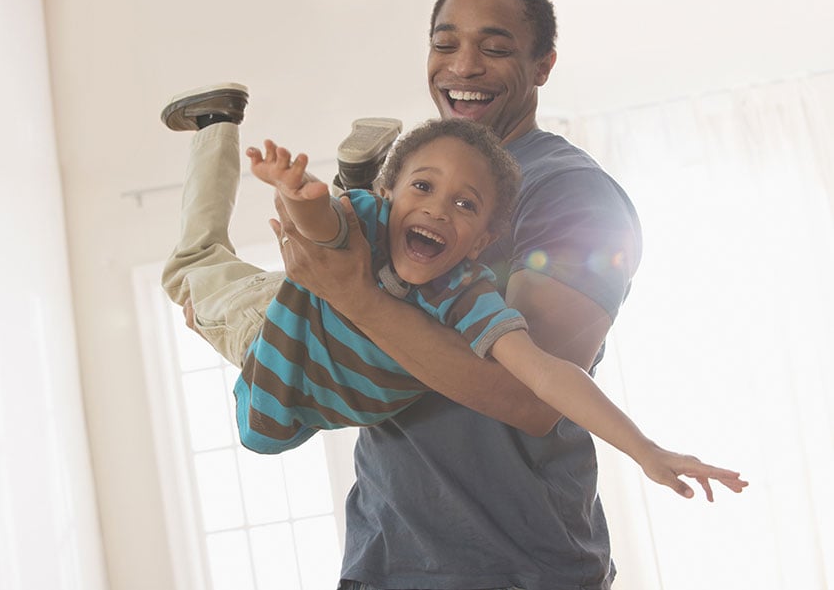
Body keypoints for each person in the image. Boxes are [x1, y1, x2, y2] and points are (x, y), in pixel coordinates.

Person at [265, 0, 739, 588]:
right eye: (444, 44)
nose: (462, 66)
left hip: (516, 568)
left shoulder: (573, 196)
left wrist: (356, 296)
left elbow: (533, 400)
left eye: (495, 48)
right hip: (383, 558)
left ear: (543, 65)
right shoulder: (415, 193)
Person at [160, 86, 746, 501]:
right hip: (269, 327)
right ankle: (222, 125)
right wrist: (299, 194)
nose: (440, 208)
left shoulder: (463, 294)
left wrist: (644, 448)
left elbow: (546, 374)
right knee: (189, 269)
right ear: (391, 197)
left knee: (328, 241)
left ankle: (355, 172)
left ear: (483, 239)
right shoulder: (368, 222)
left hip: (313, 313)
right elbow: (321, 235)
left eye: (465, 205)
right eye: (424, 186)